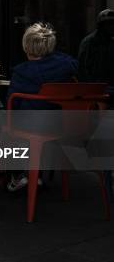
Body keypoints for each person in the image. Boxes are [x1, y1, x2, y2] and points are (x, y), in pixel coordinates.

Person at [6, 23, 78, 191]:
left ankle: (18, 175)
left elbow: (12, 104)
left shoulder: (21, 72)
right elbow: (69, 61)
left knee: (9, 126)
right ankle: (34, 174)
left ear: (25, 46)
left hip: (31, 127)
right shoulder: (66, 67)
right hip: (61, 126)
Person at [78, 9, 114, 106]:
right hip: (95, 87)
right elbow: (83, 69)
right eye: (109, 24)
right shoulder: (89, 42)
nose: (112, 27)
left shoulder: (111, 42)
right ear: (101, 25)